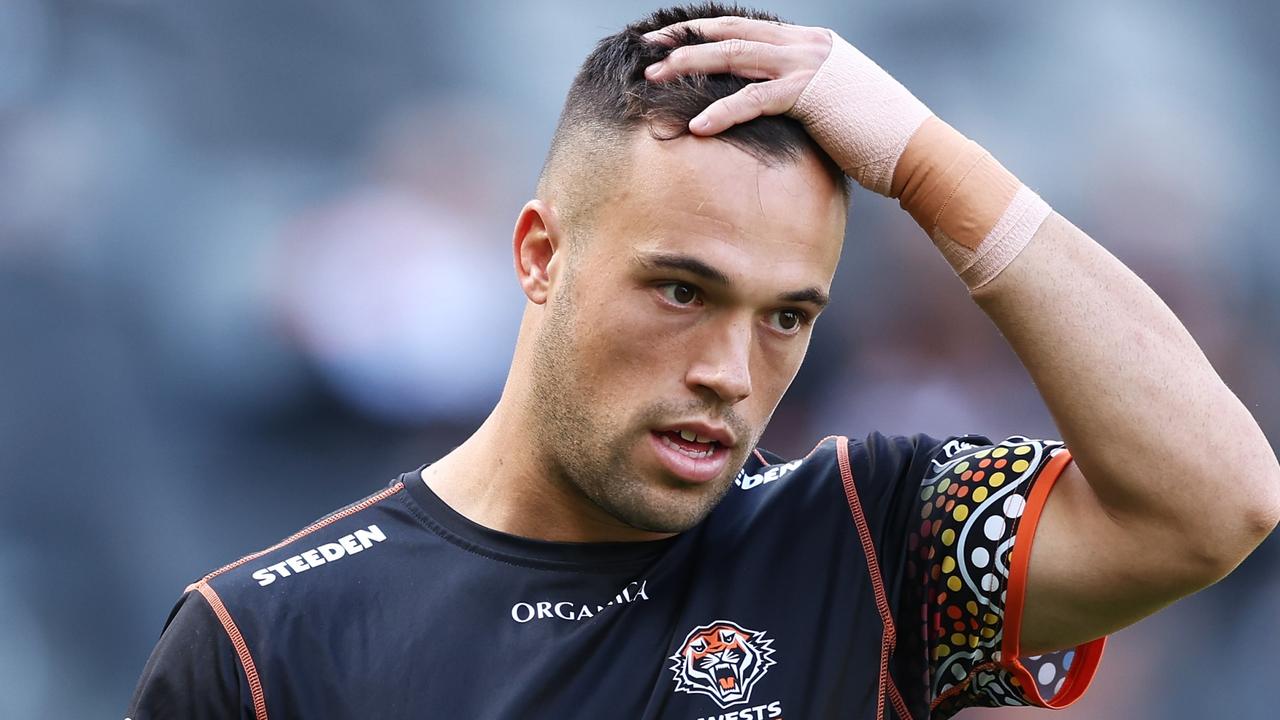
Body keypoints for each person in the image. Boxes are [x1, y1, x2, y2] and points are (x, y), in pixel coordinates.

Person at [126, 4, 1280, 719]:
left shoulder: (861, 536)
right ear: (540, 255)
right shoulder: (264, 643)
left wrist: (932, 167)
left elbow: (1214, 503)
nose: (731, 369)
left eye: (788, 315)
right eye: (682, 290)